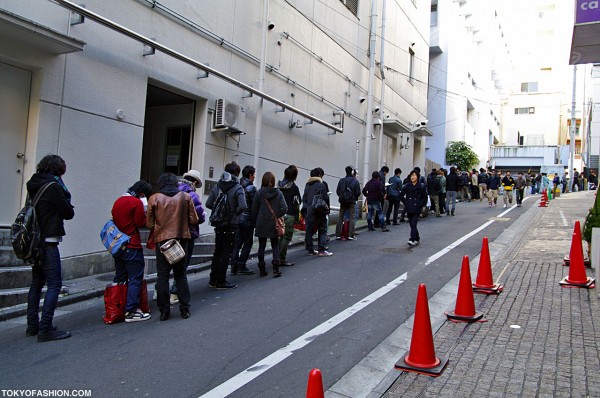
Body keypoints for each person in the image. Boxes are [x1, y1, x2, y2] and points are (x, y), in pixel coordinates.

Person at [26, 154, 75, 342]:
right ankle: (45, 328)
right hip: (48, 238)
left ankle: (32, 324)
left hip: (34, 240)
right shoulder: (53, 187)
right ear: (58, 169)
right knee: (54, 283)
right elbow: (67, 212)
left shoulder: (33, 183)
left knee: (37, 282)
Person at [147, 172, 199, 321]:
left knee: (162, 276)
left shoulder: (154, 198)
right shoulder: (185, 197)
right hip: (181, 240)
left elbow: (149, 224)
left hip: (162, 241)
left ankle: (164, 310)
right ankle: (184, 308)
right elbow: (194, 219)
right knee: (180, 275)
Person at [111, 180, 153, 322]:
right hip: (132, 244)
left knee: (120, 277)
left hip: (118, 245)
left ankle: (116, 307)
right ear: (142, 193)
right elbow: (141, 222)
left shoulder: (118, 201)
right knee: (135, 277)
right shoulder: (136, 203)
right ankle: (132, 310)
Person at [206, 161, 247, 289]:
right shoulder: (237, 187)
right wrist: (233, 213)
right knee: (226, 252)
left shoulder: (218, 185)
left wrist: (219, 211)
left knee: (217, 251)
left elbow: (208, 203)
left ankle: (213, 280)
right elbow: (243, 206)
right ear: (237, 173)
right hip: (231, 224)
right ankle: (222, 280)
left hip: (219, 224)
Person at [170, 170, 207, 303]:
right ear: (195, 182)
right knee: (182, 264)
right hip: (187, 234)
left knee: (168, 264)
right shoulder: (192, 196)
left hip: (170, 233)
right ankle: (175, 293)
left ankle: (160, 291)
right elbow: (198, 217)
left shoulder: (172, 191)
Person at [252, 172, 287, 277]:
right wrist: (276, 216)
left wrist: (255, 223)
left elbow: (254, 210)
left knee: (261, 246)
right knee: (275, 245)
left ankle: (262, 269)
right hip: (273, 223)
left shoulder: (259, 193)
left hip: (261, 222)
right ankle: (276, 268)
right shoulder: (278, 193)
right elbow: (284, 208)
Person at [231, 165, 257, 276]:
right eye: (254, 175)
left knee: (237, 243)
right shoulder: (251, 188)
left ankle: (234, 265)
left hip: (237, 218)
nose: (254, 177)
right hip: (247, 219)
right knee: (248, 242)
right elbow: (254, 205)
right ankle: (241, 265)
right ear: (250, 175)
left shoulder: (237, 185)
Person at [302, 168, 332, 256]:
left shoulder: (307, 185)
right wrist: (327, 209)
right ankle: (321, 250)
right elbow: (325, 198)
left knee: (309, 230)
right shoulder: (321, 185)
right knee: (322, 229)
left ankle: (310, 250)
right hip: (319, 211)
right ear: (319, 175)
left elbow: (304, 198)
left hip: (309, 211)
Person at [278, 165, 302, 266]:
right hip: (290, 214)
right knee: (286, 237)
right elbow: (297, 202)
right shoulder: (294, 187)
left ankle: (277, 257)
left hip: (279, 214)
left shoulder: (279, 185)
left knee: (280, 236)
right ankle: (281, 259)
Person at [399, 170, 428, 247]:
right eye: (411, 175)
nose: (412, 177)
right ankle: (417, 238)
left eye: (414, 175)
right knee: (412, 224)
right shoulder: (407, 186)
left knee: (413, 223)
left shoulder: (421, 186)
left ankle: (412, 239)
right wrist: (406, 202)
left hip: (416, 207)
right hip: (409, 207)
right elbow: (401, 195)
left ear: (417, 177)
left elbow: (425, 197)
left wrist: (420, 204)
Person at [336, 165, 361, 239]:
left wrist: (342, 197)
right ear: (352, 172)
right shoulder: (355, 181)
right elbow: (358, 192)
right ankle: (350, 235)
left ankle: (338, 234)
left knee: (340, 217)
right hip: (351, 201)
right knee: (352, 217)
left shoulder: (341, 180)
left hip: (343, 201)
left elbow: (338, 191)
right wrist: (354, 197)